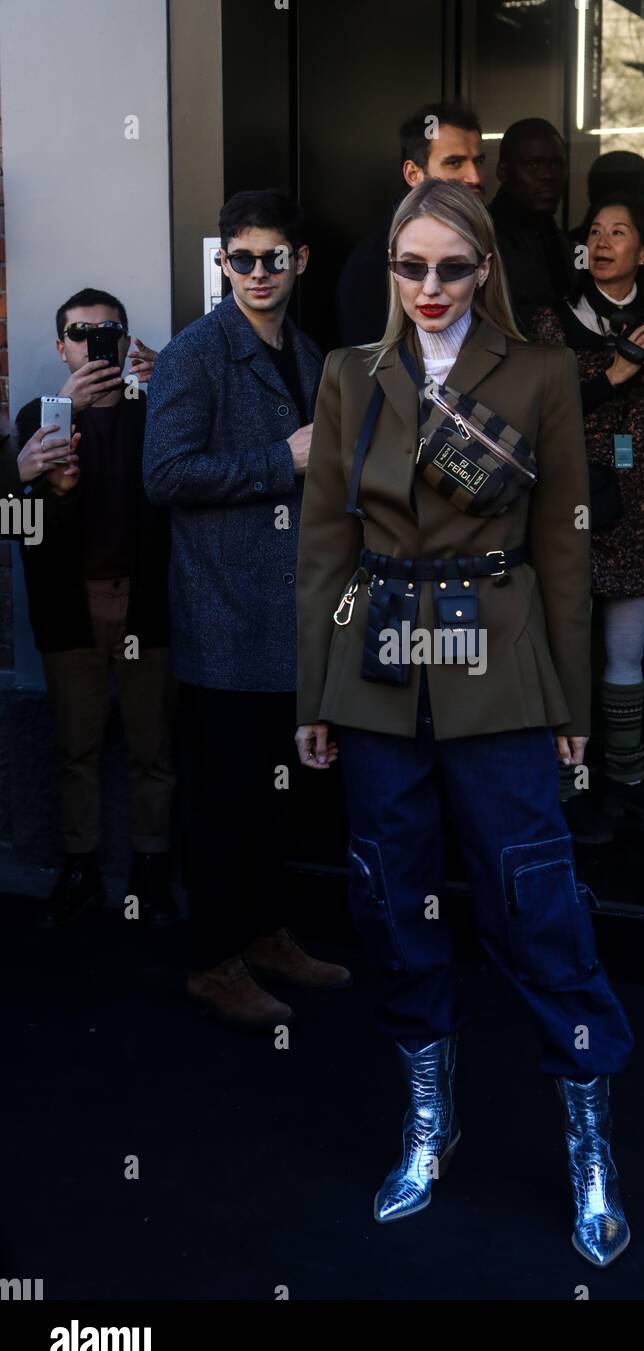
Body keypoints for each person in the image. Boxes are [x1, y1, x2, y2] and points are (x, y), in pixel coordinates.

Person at [295, 179, 634, 1266]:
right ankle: (429, 1126)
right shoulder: (353, 375)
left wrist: (571, 703)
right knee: (393, 899)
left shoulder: (539, 375)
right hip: (384, 667)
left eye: (450, 266)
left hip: (496, 666)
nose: (430, 287)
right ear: (387, 270)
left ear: (484, 266)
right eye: (410, 267)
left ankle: (588, 1147)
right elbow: (322, 551)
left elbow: (566, 549)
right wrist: (315, 693)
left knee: (535, 900)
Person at [143, 188, 351, 1030]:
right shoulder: (196, 353)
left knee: (279, 796)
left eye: (274, 257)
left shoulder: (309, 351)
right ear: (222, 263)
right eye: (241, 258)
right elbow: (165, 477)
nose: (257, 272)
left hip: (294, 615)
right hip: (227, 618)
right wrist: (281, 459)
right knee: (227, 800)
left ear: (298, 262)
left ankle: (265, 935)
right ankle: (211, 962)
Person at [1, 289, 173, 927]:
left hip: (144, 603)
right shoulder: (37, 418)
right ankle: (80, 867)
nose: (92, 344)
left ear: (126, 342)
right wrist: (30, 477)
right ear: (60, 346)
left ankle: (151, 869)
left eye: (108, 333)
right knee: (77, 746)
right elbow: (21, 526)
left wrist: (172, 381)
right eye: (80, 334)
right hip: (72, 605)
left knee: (152, 746)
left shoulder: (153, 409)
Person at [532, 194, 644, 842]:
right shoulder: (549, 322)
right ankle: (568, 790)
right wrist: (619, 373)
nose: (602, 241)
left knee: (627, 658)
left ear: (643, 252)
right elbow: (542, 410)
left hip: (635, 507)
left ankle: (627, 777)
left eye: (618, 233)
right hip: (567, 505)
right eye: (594, 231)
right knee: (566, 654)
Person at [336, 102, 486, 347]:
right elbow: (371, 366)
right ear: (413, 174)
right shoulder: (375, 261)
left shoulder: (486, 240)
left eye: (478, 161)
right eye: (455, 163)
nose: (475, 177)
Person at [489, 118, 579, 345]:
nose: (547, 175)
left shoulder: (566, 245)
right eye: (534, 165)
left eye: (556, 165)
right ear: (503, 172)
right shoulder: (482, 238)